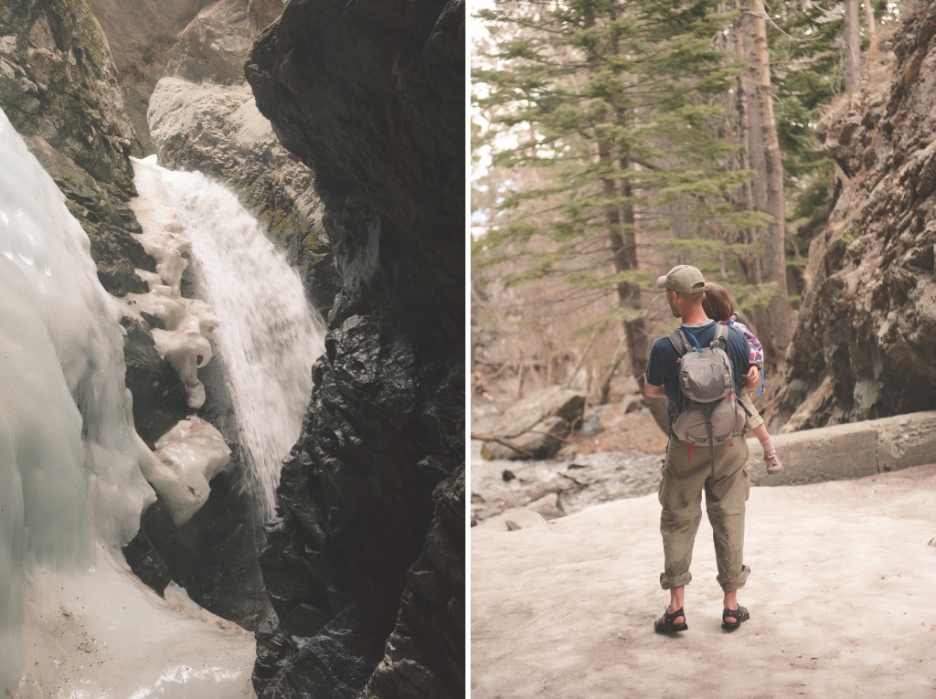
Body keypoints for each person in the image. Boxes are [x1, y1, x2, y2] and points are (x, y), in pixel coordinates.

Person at [644, 265, 760, 634]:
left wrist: (679, 388)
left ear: (676, 297)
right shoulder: (734, 337)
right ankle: (731, 606)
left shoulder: (665, 346)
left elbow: (652, 391)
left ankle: (676, 609)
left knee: (678, 520)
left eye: (668, 293)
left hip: (686, 447)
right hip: (729, 444)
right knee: (729, 516)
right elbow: (745, 384)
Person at [702, 283, 783, 474]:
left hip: (736, 385)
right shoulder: (706, 331)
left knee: (751, 415)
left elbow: (755, 346)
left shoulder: (736, 328)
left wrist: (754, 364)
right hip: (715, 385)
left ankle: (770, 452)